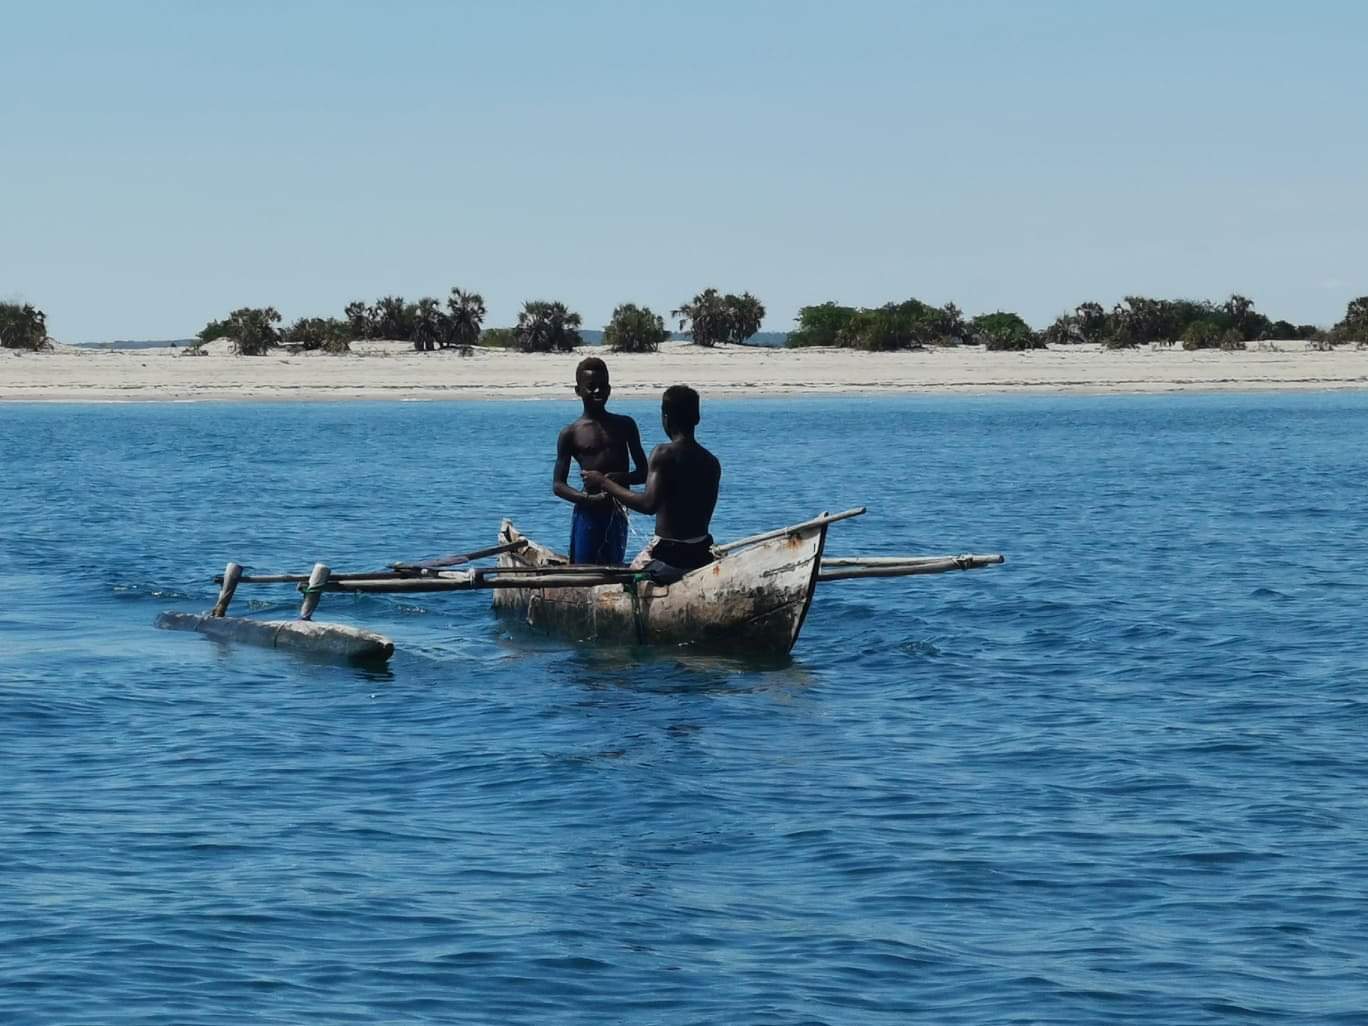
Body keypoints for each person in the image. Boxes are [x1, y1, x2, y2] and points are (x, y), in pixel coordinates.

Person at [583, 384, 721, 573]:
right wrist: (624, 478)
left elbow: (648, 505)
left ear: (665, 419)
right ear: (697, 418)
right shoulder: (712, 462)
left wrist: (604, 482)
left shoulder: (663, 453)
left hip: (668, 555)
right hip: (701, 552)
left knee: (628, 580)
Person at [553, 356, 648, 565]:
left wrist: (619, 479)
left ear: (609, 389)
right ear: (578, 391)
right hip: (588, 514)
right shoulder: (570, 433)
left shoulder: (625, 425)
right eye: (591, 387)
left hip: (618, 512)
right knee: (584, 569)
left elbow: (644, 473)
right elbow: (558, 485)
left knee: (613, 566)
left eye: (602, 386)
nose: (597, 391)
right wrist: (588, 499)